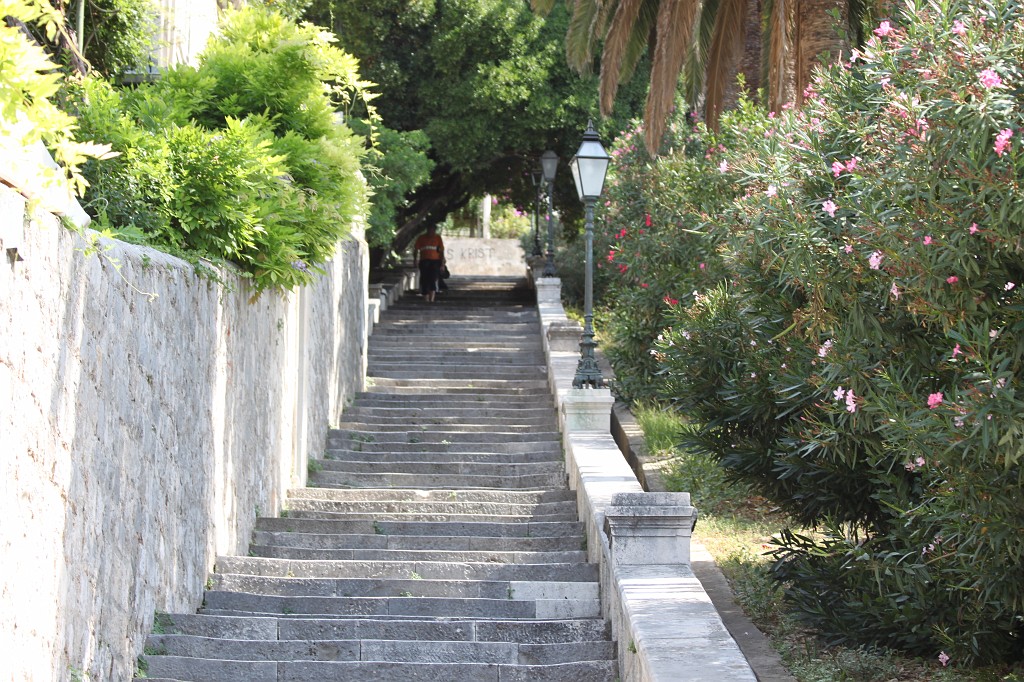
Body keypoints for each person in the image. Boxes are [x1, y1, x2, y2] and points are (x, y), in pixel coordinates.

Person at [413, 224, 445, 302]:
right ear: (427, 229)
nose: (431, 231)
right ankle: (426, 299)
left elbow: (441, 251)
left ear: (435, 230)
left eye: (433, 229)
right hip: (424, 261)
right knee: (424, 279)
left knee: (433, 279)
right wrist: (415, 260)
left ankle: (432, 299)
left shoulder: (438, 238)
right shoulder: (421, 238)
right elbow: (416, 250)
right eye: (429, 229)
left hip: (435, 262)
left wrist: (442, 263)